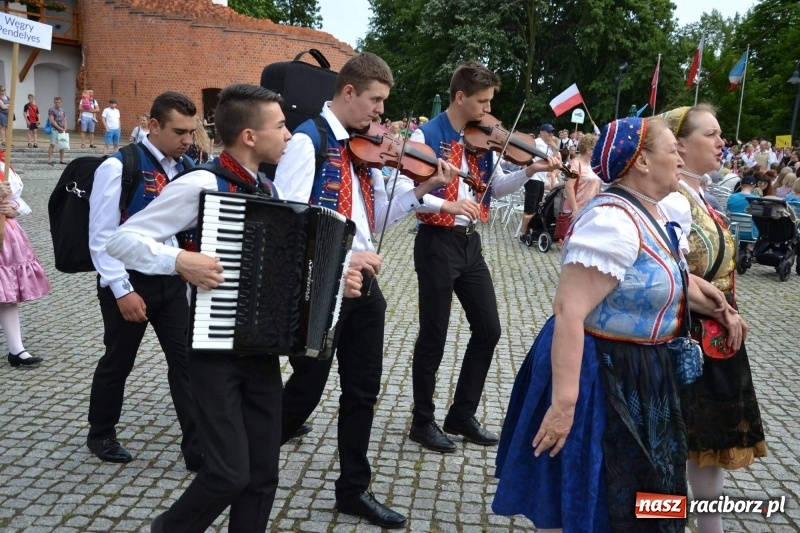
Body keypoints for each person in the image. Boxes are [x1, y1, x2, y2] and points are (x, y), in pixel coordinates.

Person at [107, 83, 347, 533]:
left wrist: (338, 274)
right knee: (228, 473)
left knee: (263, 474)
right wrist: (178, 260)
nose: (289, 135)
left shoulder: (270, 189)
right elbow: (121, 240)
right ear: (250, 136)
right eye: (281, 126)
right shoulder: (201, 183)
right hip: (213, 350)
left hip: (261, 350)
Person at [493, 116, 742, 531]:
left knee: (643, 495)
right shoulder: (612, 221)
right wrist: (564, 405)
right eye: (672, 151)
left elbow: (666, 277)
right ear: (642, 162)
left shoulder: (653, 212)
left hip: (642, 372)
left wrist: (717, 306)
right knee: (593, 498)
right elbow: (569, 310)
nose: (681, 159)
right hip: (597, 373)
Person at [275, 52, 459, 530]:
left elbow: (376, 219)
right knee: (306, 390)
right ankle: (247, 454)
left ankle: (353, 489)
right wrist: (341, 261)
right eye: (375, 100)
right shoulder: (308, 142)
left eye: (383, 103)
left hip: (365, 288)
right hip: (324, 285)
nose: (381, 112)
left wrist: (423, 189)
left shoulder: (364, 150)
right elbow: (288, 227)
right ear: (349, 92)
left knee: (363, 391)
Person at [392, 61, 560, 454]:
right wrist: (446, 205)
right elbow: (404, 194)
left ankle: (461, 415)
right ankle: (422, 421)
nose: (488, 110)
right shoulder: (427, 135)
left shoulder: (482, 140)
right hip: (436, 242)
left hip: (470, 245)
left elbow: (492, 189)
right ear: (460, 97)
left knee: (489, 329)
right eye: (482, 102)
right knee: (433, 335)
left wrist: (530, 170)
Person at [661, 105, 766, 533]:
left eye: (721, 134)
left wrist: (729, 313)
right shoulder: (670, 199)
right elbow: (671, 274)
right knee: (675, 446)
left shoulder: (703, 194)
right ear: (679, 145)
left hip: (715, 336)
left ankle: (709, 526)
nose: (723, 142)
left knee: (708, 447)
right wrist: (723, 310)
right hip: (685, 336)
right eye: (711, 134)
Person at [86, 91, 201, 470]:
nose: (187, 140)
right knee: (119, 360)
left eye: (191, 132)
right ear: (153, 125)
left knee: (186, 362)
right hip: (129, 281)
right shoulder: (119, 167)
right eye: (179, 132)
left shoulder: (186, 168)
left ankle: (198, 446)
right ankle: (101, 432)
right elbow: (102, 237)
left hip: (171, 279)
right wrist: (122, 290)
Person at [0, 158, 50, 367]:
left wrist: (13, 208)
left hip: (7, 237)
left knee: (6, 294)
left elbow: (17, 199)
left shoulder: (2, 164)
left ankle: (16, 350)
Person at [520, 123, 559, 243]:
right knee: (530, 208)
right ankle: (523, 233)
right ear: (542, 132)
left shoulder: (550, 146)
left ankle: (532, 231)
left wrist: (555, 149)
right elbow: (524, 154)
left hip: (542, 178)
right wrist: (527, 170)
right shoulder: (536, 142)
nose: (551, 134)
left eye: (552, 132)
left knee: (537, 207)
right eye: (549, 132)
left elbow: (557, 161)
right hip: (533, 177)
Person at [561, 133, 601, 219]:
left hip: (590, 208)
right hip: (575, 210)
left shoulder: (594, 164)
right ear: (589, 150)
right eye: (597, 148)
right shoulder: (575, 164)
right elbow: (569, 187)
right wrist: (575, 209)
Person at [47, 97, 67, 165]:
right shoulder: (51, 110)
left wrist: (65, 128)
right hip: (54, 129)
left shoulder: (62, 110)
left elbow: (64, 119)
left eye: (58, 102)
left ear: (61, 102)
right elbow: (52, 120)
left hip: (61, 129)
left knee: (62, 145)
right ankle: (50, 160)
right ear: (54, 102)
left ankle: (62, 160)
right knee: (52, 144)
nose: (57, 103)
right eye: (56, 102)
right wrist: (58, 127)